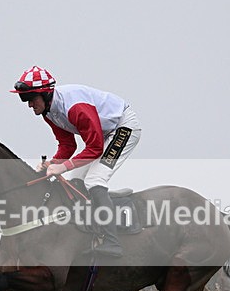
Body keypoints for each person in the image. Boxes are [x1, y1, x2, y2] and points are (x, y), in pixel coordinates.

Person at [11, 66, 141, 258]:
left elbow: (95, 148)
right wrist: (52, 164)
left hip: (123, 128)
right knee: (76, 180)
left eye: (30, 98)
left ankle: (113, 242)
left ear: (45, 94)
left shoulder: (75, 108)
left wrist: (62, 166)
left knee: (95, 179)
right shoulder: (49, 112)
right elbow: (67, 145)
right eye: (24, 99)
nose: (28, 104)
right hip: (104, 134)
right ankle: (89, 231)